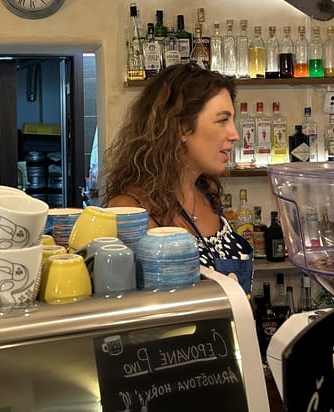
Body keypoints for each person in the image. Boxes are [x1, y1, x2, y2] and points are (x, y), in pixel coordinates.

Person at [102, 63, 253, 294]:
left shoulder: (206, 191)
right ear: (181, 127)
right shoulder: (130, 211)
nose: (234, 134)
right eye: (223, 120)